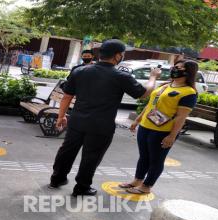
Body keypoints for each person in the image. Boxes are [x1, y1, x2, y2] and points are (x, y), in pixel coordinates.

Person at [48, 39, 161, 196]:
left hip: (77, 121)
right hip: (101, 125)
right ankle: (81, 187)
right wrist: (153, 77)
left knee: (67, 150)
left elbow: (67, 96)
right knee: (91, 156)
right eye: (122, 55)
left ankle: (57, 179)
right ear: (117, 56)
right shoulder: (120, 76)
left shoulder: (80, 71)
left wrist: (61, 116)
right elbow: (143, 93)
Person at [121, 60, 199, 194]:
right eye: (175, 67)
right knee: (144, 156)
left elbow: (181, 117)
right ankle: (137, 180)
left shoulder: (189, 92)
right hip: (146, 126)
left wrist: (172, 136)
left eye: (178, 68)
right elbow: (151, 104)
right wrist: (138, 120)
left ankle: (146, 186)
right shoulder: (166, 85)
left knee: (156, 160)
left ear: (188, 72)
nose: (174, 69)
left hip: (163, 131)